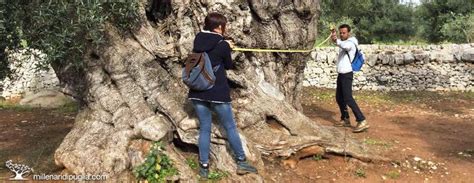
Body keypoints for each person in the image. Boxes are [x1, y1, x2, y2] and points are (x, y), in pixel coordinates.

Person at [188, 12, 258, 178]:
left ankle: (204, 168)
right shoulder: (223, 44)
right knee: (230, 127)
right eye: (224, 25)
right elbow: (228, 65)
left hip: (197, 91)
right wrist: (228, 48)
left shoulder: (198, 39)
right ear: (219, 27)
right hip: (217, 92)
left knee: (205, 129)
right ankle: (241, 161)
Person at [331, 24, 369, 133]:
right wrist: (334, 37)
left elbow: (344, 45)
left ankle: (362, 120)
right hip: (341, 74)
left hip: (347, 74)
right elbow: (340, 43)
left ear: (349, 33)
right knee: (339, 97)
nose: (342, 34)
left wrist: (336, 40)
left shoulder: (351, 43)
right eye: (341, 33)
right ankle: (345, 118)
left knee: (348, 98)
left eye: (344, 33)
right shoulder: (343, 42)